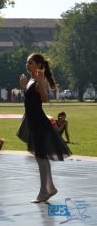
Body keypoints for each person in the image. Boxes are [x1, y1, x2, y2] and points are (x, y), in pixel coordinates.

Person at [17, 53, 71, 203]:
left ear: (39, 65)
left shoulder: (40, 80)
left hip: (39, 123)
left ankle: (43, 192)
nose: (27, 65)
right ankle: (50, 188)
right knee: (41, 157)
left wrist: (41, 82)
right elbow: (29, 99)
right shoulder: (31, 80)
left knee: (41, 158)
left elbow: (45, 99)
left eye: (30, 63)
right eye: (27, 63)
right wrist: (23, 87)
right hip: (33, 122)